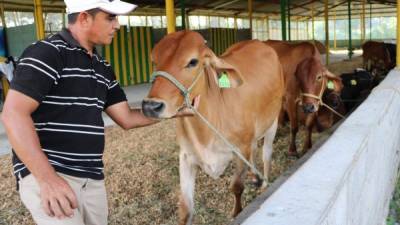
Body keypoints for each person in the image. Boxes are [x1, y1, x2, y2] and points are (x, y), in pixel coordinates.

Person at [1, 1, 197, 224]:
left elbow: (127, 118)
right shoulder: (47, 53)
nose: (117, 25)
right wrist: (47, 180)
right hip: (51, 172)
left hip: (91, 178)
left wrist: (175, 111)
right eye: (111, 18)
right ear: (84, 18)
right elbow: (13, 114)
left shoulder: (101, 66)